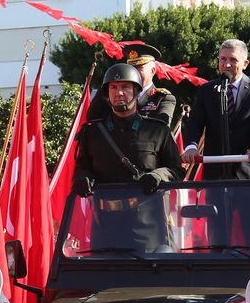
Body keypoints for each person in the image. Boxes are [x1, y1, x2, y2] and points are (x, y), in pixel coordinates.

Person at [73, 63, 183, 252]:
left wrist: (158, 176)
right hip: (105, 226)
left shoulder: (157, 130)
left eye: (125, 87)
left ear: (136, 91)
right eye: (113, 88)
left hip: (146, 224)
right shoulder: (92, 133)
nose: (119, 93)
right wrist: (83, 177)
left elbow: (176, 169)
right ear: (107, 94)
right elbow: (82, 167)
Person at [180, 39, 250, 245]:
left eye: (233, 60)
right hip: (217, 174)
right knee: (218, 235)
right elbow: (196, 122)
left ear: (245, 63)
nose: (226, 65)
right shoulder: (208, 90)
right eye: (222, 59)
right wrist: (190, 146)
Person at [86, 42, 178, 127]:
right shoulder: (115, 93)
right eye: (131, 68)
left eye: (139, 68)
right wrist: (107, 87)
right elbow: (92, 118)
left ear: (153, 71)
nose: (133, 72)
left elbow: (160, 130)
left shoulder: (163, 99)